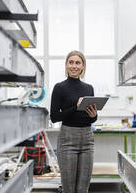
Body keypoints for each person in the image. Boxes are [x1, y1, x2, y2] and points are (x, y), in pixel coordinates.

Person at [50, 50, 97, 193]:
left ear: (83, 66)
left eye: (78, 63)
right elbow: (54, 117)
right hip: (67, 139)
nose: (74, 66)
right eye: (71, 62)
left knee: (83, 189)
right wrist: (76, 107)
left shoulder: (89, 88)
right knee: (69, 189)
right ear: (66, 65)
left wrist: (94, 116)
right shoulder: (59, 87)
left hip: (87, 138)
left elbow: (91, 117)